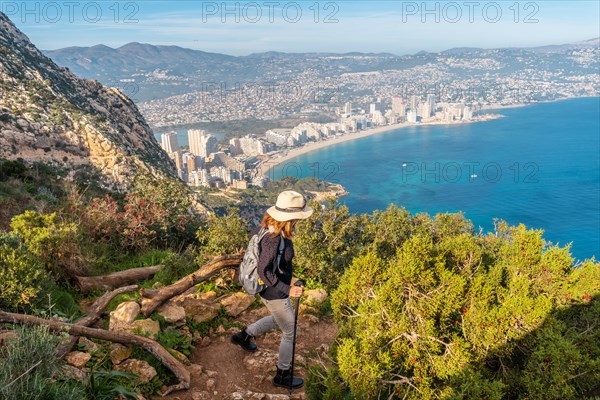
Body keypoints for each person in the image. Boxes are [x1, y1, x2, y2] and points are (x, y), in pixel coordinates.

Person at [231, 190, 313, 389]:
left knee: (280, 320)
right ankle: (282, 375)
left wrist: (291, 278)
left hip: (270, 289)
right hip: (274, 292)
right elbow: (263, 270)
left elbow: (270, 262)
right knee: (290, 331)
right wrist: (288, 288)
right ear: (291, 217)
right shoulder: (273, 238)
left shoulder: (266, 228)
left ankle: (244, 335)